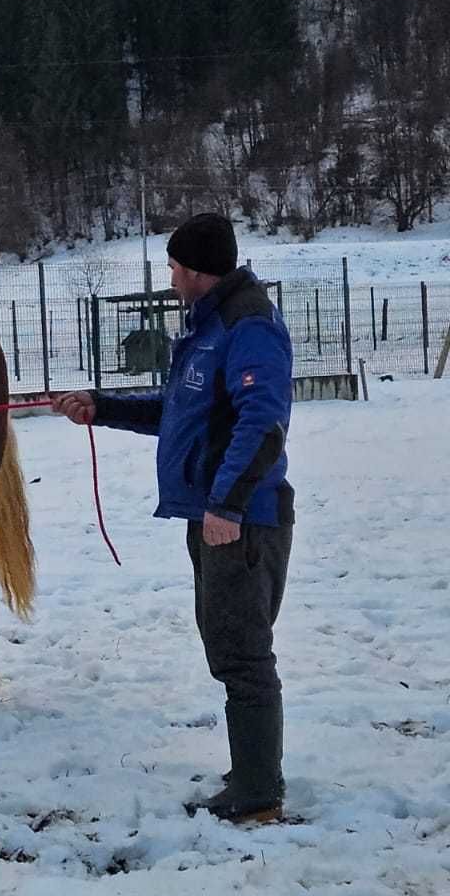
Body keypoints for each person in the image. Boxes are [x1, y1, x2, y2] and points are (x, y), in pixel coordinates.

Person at [51, 213, 294, 824]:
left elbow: (262, 422)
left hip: (240, 519)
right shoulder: (209, 329)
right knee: (228, 646)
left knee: (242, 652)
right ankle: (250, 772)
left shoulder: (248, 327)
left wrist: (227, 505)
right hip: (215, 514)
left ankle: (258, 792)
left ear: (194, 270)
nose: (170, 277)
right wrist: (102, 407)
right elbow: (181, 411)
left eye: (174, 267)